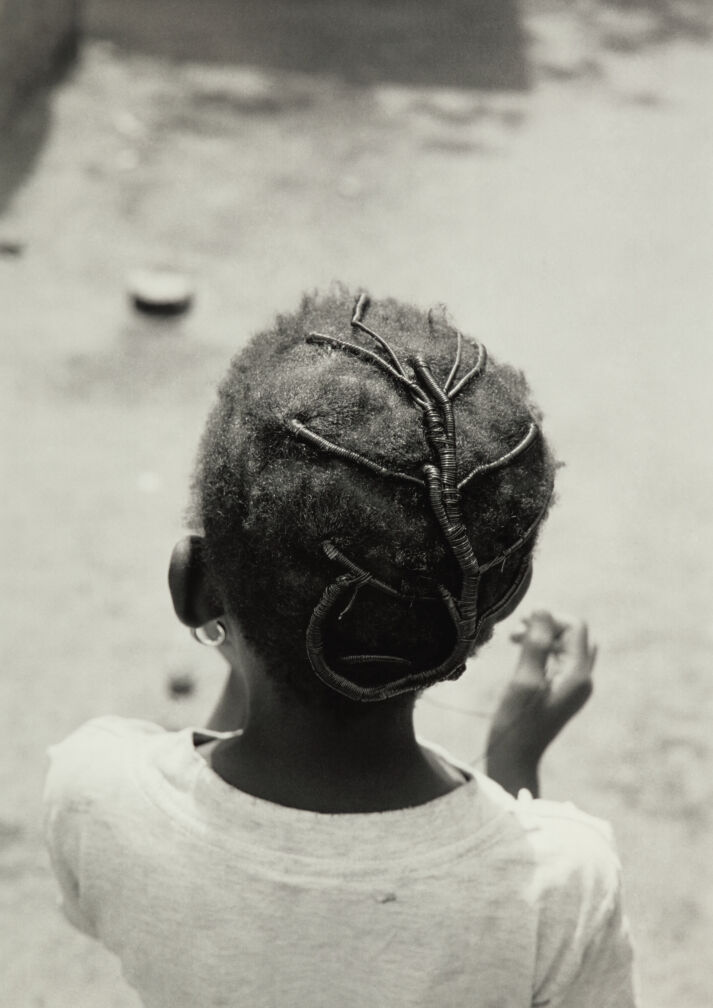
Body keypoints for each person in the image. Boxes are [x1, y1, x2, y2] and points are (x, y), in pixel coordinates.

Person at [44, 288, 637, 1007]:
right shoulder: (564, 883)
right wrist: (514, 766)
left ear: (193, 588)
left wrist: (250, 626)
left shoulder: (95, 795)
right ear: (485, 618)